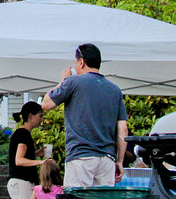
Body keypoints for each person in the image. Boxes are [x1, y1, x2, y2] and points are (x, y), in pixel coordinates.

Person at [41, 43, 128, 187]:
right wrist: (120, 161)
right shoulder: (115, 90)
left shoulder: (72, 82)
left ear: (81, 62)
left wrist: (62, 81)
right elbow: (123, 128)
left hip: (80, 156)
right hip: (107, 159)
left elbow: (46, 104)